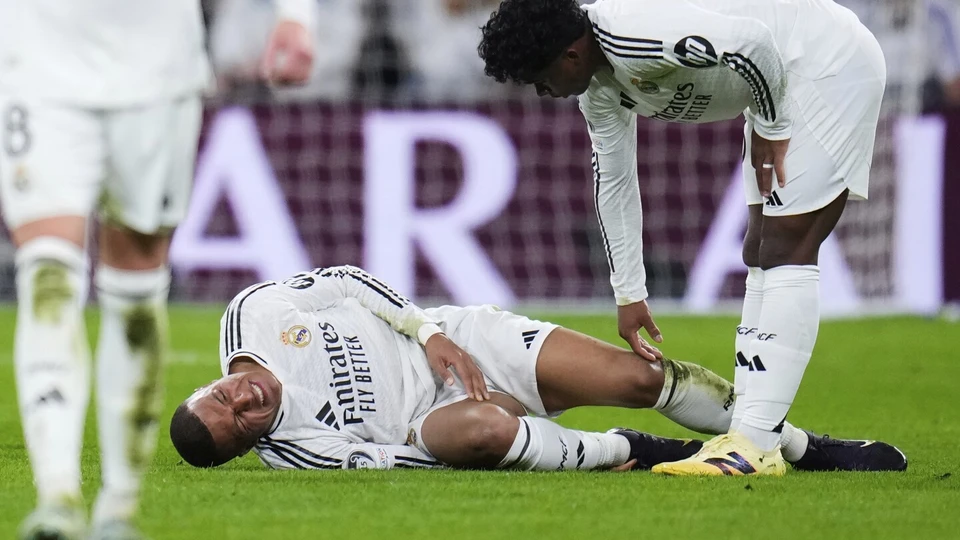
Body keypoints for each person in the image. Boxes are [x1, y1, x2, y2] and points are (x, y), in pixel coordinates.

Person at [477, 0, 887, 475]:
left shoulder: (633, 34)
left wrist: (773, 126)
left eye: (539, 78)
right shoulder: (599, 91)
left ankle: (753, 446)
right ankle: (750, 434)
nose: (542, 92)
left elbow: (754, 44)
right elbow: (615, 181)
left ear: (571, 54)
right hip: (776, 87)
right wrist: (629, 293)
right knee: (758, 249)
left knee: (786, 247)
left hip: (824, 64)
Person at [0, 0, 314, 537]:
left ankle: (117, 510)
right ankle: (56, 498)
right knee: (47, 274)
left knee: (136, 291)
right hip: (38, 56)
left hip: (156, 67)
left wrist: (296, 15)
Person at [169, 265, 905, 475]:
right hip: (435, 417)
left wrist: (428, 333)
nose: (244, 402)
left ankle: (801, 447)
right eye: (240, 425)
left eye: (221, 397)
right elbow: (401, 460)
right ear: (248, 446)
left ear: (209, 382)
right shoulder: (300, 450)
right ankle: (636, 452)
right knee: (482, 432)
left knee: (640, 379)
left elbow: (348, 280)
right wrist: (493, 426)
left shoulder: (252, 313)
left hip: (464, 339)